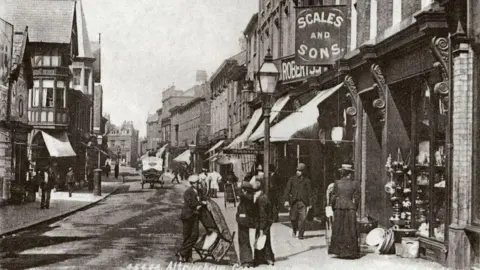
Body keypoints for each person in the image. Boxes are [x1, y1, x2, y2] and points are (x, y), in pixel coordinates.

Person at [328, 164, 360, 259]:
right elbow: (357, 198)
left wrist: (333, 207)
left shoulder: (337, 183)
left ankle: (338, 250)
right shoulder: (355, 184)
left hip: (339, 207)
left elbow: (333, 197)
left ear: (342, 173)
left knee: (338, 229)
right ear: (349, 174)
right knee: (350, 229)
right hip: (350, 208)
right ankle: (350, 251)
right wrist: (355, 207)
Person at [177, 174, 206, 263]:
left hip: (195, 215)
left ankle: (182, 253)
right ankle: (186, 256)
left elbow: (203, 199)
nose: (198, 184)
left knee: (195, 236)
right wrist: (201, 203)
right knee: (187, 236)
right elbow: (191, 204)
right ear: (192, 183)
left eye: (198, 183)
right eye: (196, 183)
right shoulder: (188, 192)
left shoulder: (200, 191)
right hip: (187, 216)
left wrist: (202, 203)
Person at [283, 163, 313, 240]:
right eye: (297, 170)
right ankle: (294, 229)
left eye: (299, 171)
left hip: (303, 202)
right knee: (293, 218)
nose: (297, 172)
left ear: (303, 171)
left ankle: (301, 235)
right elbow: (287, 190)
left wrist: (310, 204)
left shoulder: (307, 180)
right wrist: (286, 200)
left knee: (303, 219)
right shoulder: (292, 179)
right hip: (294, 202)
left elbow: (310, 193)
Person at [252, 180, 275, 266]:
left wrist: (261, 228)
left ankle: (267, 259)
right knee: (262, 240)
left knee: (263, 240)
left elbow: (263, 216)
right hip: (265, 222)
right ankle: (262, 258)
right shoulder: (262, 196)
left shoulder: (261, 199)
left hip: (264, 223)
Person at [236, 181, 256, 267]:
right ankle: (246, 260)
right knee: (243, 240)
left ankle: (246, 261)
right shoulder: (249, 196)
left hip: (244, 222)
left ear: (245, 190)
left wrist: (240, 187)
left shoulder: (246, 197)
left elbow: (240, 194)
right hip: (243, 221)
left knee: (244, 240)